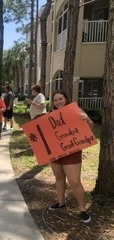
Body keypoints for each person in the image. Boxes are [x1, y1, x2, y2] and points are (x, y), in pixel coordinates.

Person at [48, 89, 93, 223]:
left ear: (66, 99)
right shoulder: (50, 115)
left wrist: (86, 119)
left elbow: (91, 126)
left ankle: (82, 209)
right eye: (55, 100)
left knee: (74, 181)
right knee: (59, 177)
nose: (58, 102)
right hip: (55, 152)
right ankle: (61, 202)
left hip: (72, 150)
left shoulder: (76, 111)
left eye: (60, 99)